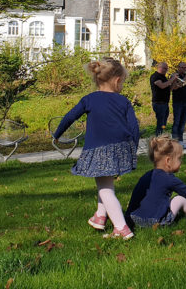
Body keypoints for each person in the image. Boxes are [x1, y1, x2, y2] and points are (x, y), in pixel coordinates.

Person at [53, 58, 139, 239]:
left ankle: (121, 228)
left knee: (105, 188)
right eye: (122, 82)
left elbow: (70, 117)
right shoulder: (123, 101)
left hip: (99, 149)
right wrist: (133, 150)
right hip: (122, 148)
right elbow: (134, 127)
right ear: (117, 80)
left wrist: (57, 134)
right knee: (105, 183)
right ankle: (100, 217)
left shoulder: (89, 100)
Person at [126, 136, 186, 228]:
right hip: (155, 222)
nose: (181, 162)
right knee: (179, 199)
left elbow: (135, 196)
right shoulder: (170, 179)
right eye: (179, 158)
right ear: (168, 161)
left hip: (133, 219)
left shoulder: (147, 176)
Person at [170, 61, 186, 143]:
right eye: (183, 67)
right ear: (178, 68)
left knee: (183, 123)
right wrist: (185, 78)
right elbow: (174, 87)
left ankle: (181, 141)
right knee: (177, 122)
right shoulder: (174, 76)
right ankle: (175, 142)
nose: (184, 69)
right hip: (177, 102)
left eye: (185, 67)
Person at [150, 61, 177, 136]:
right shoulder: (155, 76)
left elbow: (169, 89)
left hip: (165, 103)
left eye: (167, 69)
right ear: (159, 68)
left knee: (164, 122)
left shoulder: (164, 77)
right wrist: (171, 79)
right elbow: (162, 86)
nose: (166, 70)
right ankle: (158, 138)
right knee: (160, 122)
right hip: (158, 103)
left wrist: (174, 81)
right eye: (165, 68)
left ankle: (162, 134)